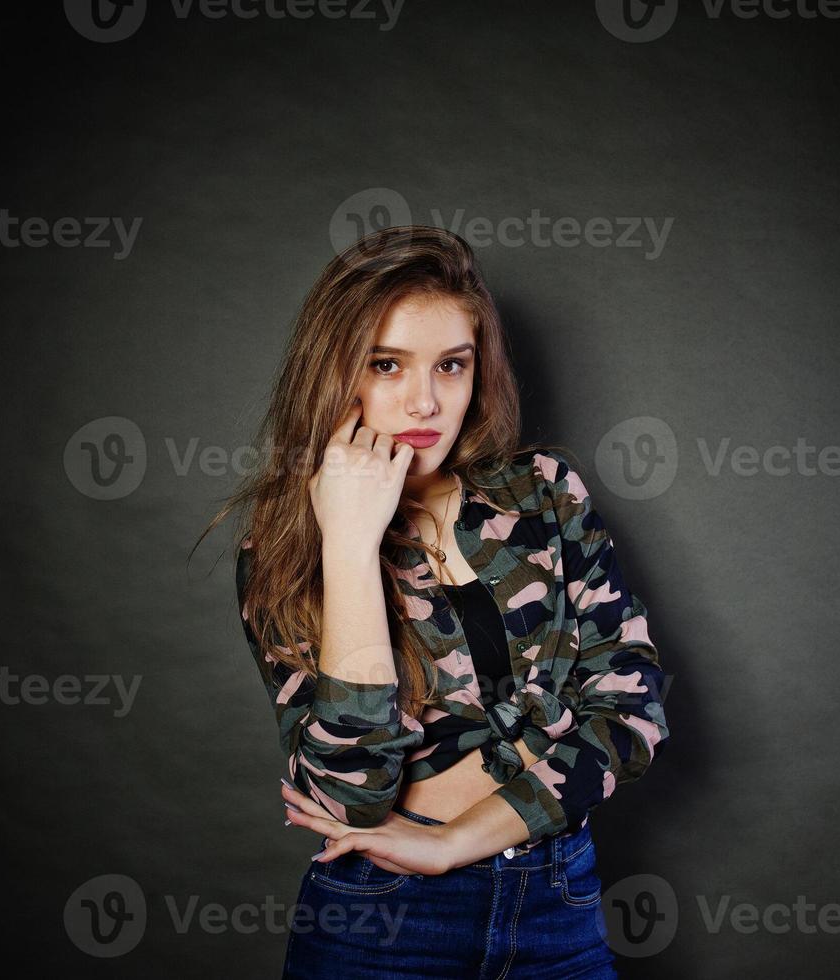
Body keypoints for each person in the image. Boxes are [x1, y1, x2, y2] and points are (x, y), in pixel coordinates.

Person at [200, 225, 670, 978]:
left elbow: (632, 713)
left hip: (557, 900)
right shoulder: (283, 548)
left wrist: (455, 841)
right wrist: (349, 548)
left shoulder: (542, 495)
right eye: (386, 365)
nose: (426, 400)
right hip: (380, 923)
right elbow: (352, 795)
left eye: (451, 365)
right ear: (334, 375)